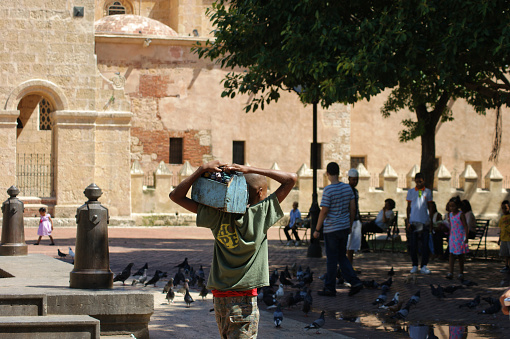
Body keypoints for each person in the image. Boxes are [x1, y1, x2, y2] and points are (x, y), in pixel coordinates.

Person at [169, 160, 296, 338]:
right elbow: (291, 179)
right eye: (265, 191)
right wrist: (250, 169)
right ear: (260, 191)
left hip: (220, 300)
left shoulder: (217, 215)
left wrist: (202, 170)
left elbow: (175, 196)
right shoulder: (261, 214)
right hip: (244, 300)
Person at [313, 162, 363, 297]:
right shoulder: (347, 189)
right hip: (344, 227)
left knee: (331, 259)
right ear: (339, 173)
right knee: (342, 256)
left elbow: (324, 211)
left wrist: (317, 229)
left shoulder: (328, 190)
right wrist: (350, 224)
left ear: (327, 174)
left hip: (331, 229)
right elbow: (353, 208)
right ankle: (355, 281)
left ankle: (329, 288)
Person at [406, 172, 433, 274]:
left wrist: (430, 220)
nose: (419, 183)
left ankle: (424, 265)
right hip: (414, 221)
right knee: (413, 245)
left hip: (424, 221)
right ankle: (414, 265)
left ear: (424, 181)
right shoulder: (411, 192)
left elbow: (430, 206)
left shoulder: (428, 192)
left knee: (425, 244)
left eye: (420, 181)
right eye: (417, 181)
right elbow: (408, 207)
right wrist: (408, 220)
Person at [445, 196, 469, 280]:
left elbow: (466, 226)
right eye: (450, 206)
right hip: (453, 236)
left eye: (453, 206)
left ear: (457, 206)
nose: (452, 208)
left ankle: (461, 272)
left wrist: (466, 237)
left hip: (460, 237)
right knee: (451, 254)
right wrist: (449, 236)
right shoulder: (450, 215)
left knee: (460, 255)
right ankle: (450, 272)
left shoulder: (461, 214)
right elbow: (451, 226)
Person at [346, 168, 361, 265]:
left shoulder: (356, 191)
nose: (355, 182)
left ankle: (350, 265)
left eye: (356, 180)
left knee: (352, 247)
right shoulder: (346, 190)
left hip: (356, 220)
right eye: (353, 179)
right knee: (346, 245)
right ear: (349, 179)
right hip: (348, 221)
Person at [498, 200, 510, 273]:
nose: (504, 210)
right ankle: (506, 265)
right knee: (505, 253)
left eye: (505, 208)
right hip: (504, 238)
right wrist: (499, 239)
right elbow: (501, 229)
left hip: (509, 238)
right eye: (502, 208)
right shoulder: (502, 218)